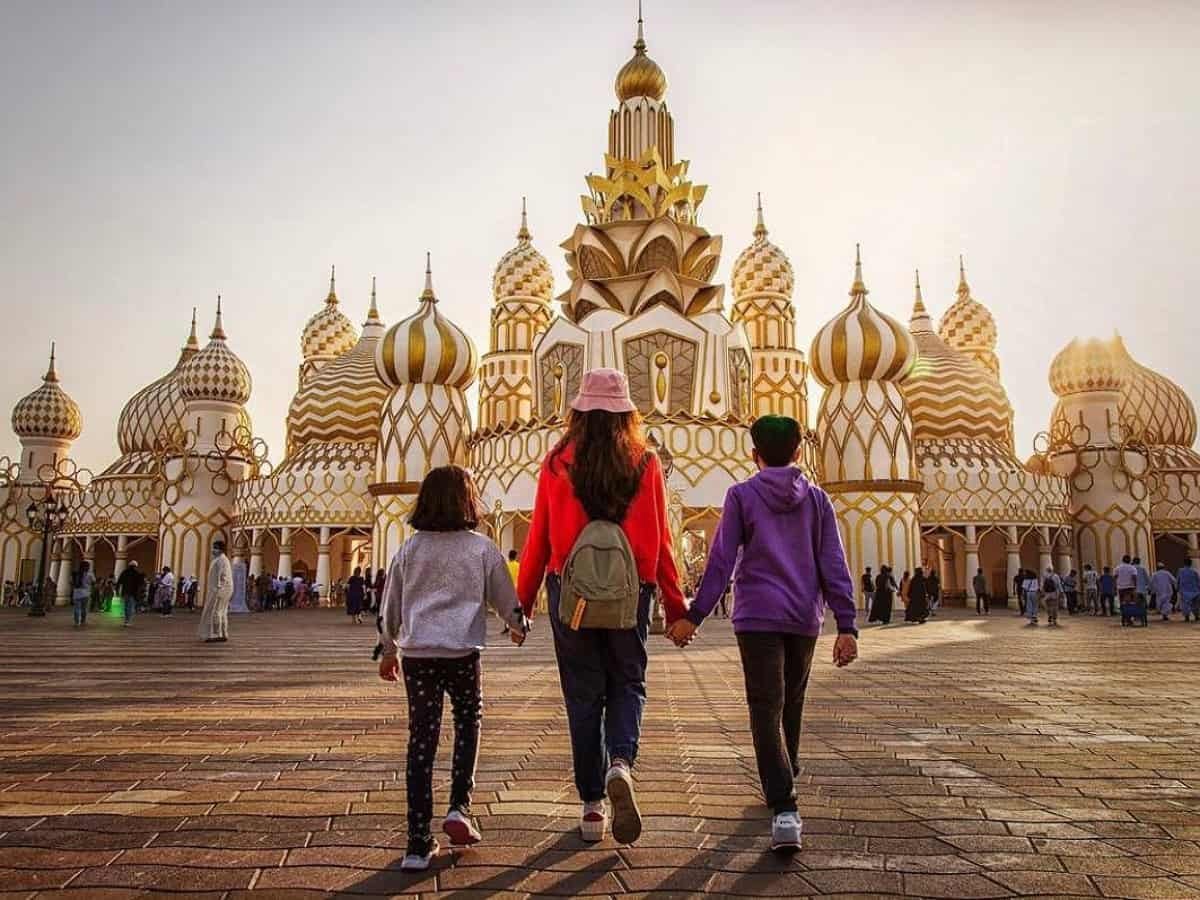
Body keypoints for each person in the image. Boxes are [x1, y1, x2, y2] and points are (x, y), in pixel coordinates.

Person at [667, 414, 857, 853]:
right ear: (798, 453)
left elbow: (720, 561)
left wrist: (694, 616)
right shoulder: (818, 501)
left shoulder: (742, 496)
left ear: (754, 455)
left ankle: (784, 804)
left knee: (764, 707)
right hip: (804, 618)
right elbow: (834, 564)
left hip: (756, 618)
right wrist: (846, 625)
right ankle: (784, 785)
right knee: (790, 702)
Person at [517, 368, 684, 847]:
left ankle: (592, 806)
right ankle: (620, 762)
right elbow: (660, 541)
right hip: (632, 592)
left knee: (583, 693)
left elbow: (539, 538)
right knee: (628, 681)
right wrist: (676, 607)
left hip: (571, 595)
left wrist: (522, 605)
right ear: (628, 413)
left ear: (579, 413)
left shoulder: (556, 464)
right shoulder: (646, 462)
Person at [377, 465, 527, 873]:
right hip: (462, 655)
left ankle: (417, 841)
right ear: (468, 502)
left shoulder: (410, 549)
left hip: (419, 656)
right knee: (467, 724)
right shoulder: (482, 548)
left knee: (421, 742)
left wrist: (389, 650)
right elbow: (504, 598)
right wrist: (518, 627)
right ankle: (460, 806)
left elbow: (391, 604)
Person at [198, 540, 234, 643]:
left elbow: (223, 575)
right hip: (220, 589)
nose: (213, 550)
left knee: (216, 611)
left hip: (220, 590)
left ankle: (215, 634)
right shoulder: (219, 559)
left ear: (220, 549)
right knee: (221, 611)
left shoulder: (222, 560)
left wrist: (218, 588)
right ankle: (222, 633)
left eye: (215, 547)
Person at [116, 560, 144, 627]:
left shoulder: (124, 572)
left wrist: (117, 590)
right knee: (130, 607)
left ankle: (126, 620)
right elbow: (140, 584)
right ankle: (128, 621)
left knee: (126, 606)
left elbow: (119, 582)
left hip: (125, 592)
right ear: (135, 566)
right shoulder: (137, 573)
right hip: (133, 593)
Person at [1115, 555, 1139, 625]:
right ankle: (1129, 618)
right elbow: (1134, 577)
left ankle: (1124, 617)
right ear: (1129, 560)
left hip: (1120, 588)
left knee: (1122, 603)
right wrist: (1135, 586)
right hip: (1130, 588)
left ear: (1122, 560)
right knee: (1129, 604)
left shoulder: (1118, 567)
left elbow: (1115, 577)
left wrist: (1115, 586)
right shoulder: (1132, 568)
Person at [70, 560, 94, 627]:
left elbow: (71, 582)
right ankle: (83, 621)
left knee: (76, 608)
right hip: (86, 593)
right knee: (84, 608)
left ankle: (76, 622)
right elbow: (93, 581)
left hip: (77, 593)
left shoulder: (75, 573)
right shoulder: (89, 574)